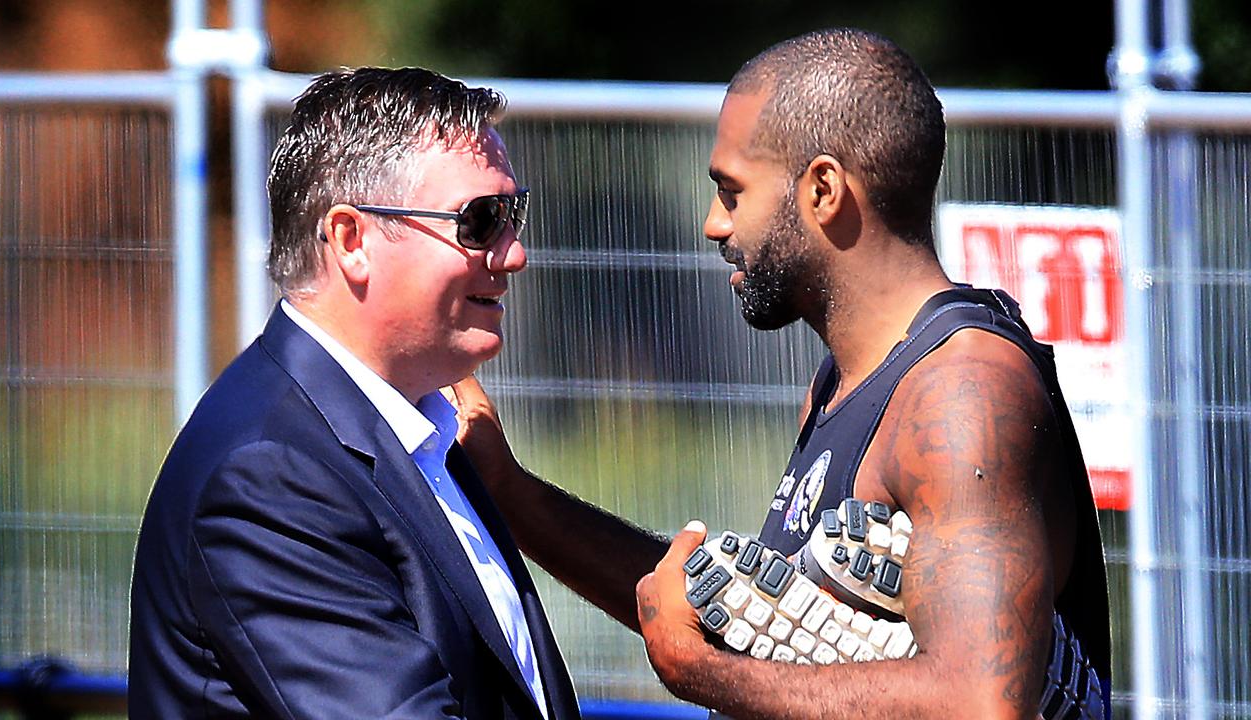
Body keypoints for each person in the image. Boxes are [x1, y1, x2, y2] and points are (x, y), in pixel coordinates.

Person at [451, 28, 1111, 718]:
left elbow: (979, 703)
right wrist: (510, 492)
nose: (713, 224)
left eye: (731, 192)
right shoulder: (843, 384)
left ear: (823, 189)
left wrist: (704, 676)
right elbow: (760, 629)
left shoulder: (961, 391)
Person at [128, 67, 579, 720]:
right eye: (481, 221)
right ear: (351, 240)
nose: (514, 255)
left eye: (514, 214)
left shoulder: (424, 429)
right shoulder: (271, 478)